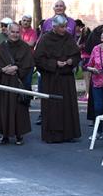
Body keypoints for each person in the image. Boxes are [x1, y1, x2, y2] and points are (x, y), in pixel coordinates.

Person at [34, 14, 82, 143]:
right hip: (51, 79)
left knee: (68, 106)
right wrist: (54, 63)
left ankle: (69, 134)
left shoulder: (68, 38)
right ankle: (53, 135)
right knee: (53, 107)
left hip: (66, 78)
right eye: (61, 27)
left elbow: (77, 55)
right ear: (54, 27)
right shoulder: (45, 39)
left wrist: (72, 61)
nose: (64, 29)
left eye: (65, 26)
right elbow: (38, 59)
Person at [0, 23, 34, 145]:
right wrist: (3, 70)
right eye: (12, 32)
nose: (15, 34)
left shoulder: (24, 47)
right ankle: (4, 135)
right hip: (3, 83)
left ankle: (19, 135)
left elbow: (28, 65)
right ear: (7, 32)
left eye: (17, 32)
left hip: (18, 83)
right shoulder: (1, 47)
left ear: (20, 33)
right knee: (3, 108)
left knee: (18, 109)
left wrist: (16, 68)